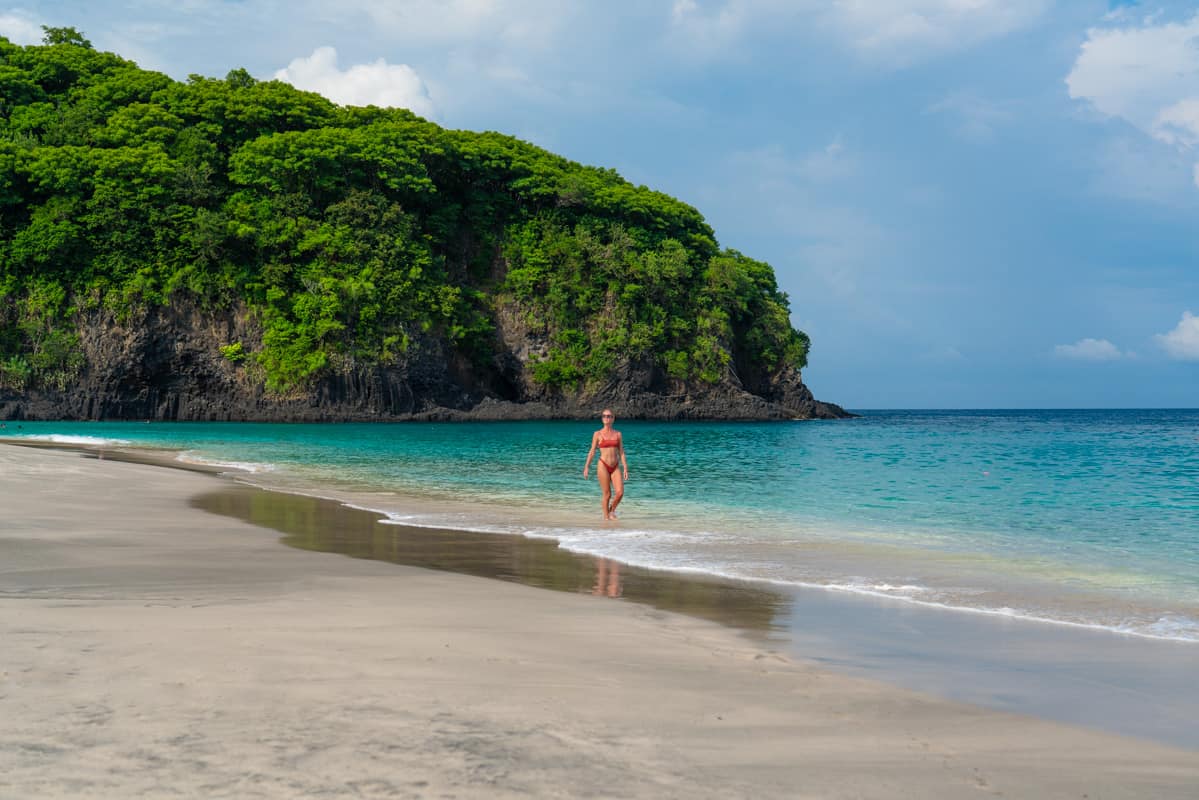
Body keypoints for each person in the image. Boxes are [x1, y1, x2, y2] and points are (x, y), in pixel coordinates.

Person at [582, 408, 628, 520]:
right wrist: (587, 466)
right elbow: (592, 451)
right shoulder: (597, 434)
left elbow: (621, 451)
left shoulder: (618, 434)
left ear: (613, 418)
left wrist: (625, 468)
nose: (606, 418)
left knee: (620, 492)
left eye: (609, 416)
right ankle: (606, 518)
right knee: (607, 494)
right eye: (604, 416)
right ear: (602, 418)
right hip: (603, 465)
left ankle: (611, 511)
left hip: (615, 465)